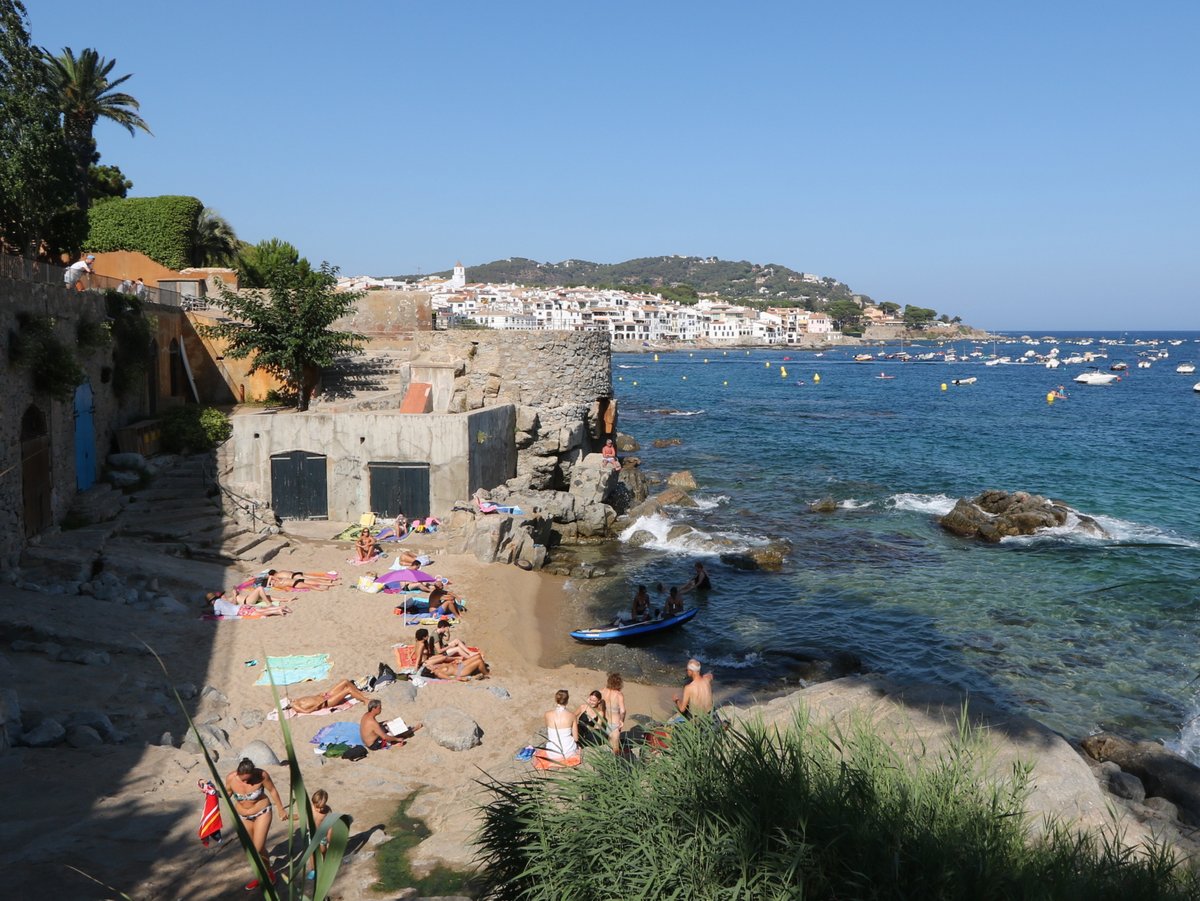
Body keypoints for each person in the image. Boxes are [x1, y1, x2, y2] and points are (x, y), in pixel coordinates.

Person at [225, 757, 287, 890]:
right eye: (243, 779)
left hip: (262, 813)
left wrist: (280, 809)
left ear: (253, 773)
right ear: (238, 773)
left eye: (249, 779)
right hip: (244, 816)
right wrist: (211, 792)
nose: (247, 782)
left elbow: (273, 791)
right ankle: (266, 875)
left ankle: (265, 875)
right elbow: (227, 794)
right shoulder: (231, 778)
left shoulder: (262, 775)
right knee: (258, 848)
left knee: (256, 849)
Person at [287, 679, 373, 714]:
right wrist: (319, 703)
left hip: (326, 696)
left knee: (345, 681)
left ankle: (359, 694)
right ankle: (365, 700)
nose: (292, 699)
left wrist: (320, 695)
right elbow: (307, 711)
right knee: (347, 690)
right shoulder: (296, 706)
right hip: (327, 702)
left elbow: (312, 698)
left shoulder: (296, 700)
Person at [541, 689, 579, 760]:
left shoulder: (547, 714)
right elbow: (576, 738)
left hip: (552, 753)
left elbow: (547, 727)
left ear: (556, 700)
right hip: (569, 752)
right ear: (567, 701)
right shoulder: (572, 716)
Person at [205, 588, 291, 617]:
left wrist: (211, 613)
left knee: (261, 613)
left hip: (240, 610)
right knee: (262, 611)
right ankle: (280, 608)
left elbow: (217, 614)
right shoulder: (222, 601)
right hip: (243, 606)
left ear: (211, 601)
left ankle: (278, 610)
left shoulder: (217, 603)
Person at [306, 789, 332, 880]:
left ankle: (325, 866)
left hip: (322, 835)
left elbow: (330, 824)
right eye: (317, 807)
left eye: (322, 807)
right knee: (311, 853)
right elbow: (303, 815)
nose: (319, 809)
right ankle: (313, 869)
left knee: (323, 851)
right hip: (312, 834)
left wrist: (329, 835)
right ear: (313, 803)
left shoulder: (327, 811)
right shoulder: (311, 808)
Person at [600, 672, 626, 755]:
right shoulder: (619, 695)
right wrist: (622, 720)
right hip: (615, 723)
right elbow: (623, 711)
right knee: (615, 749)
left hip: (604, 722)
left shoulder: (602, 691)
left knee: (604, 744)